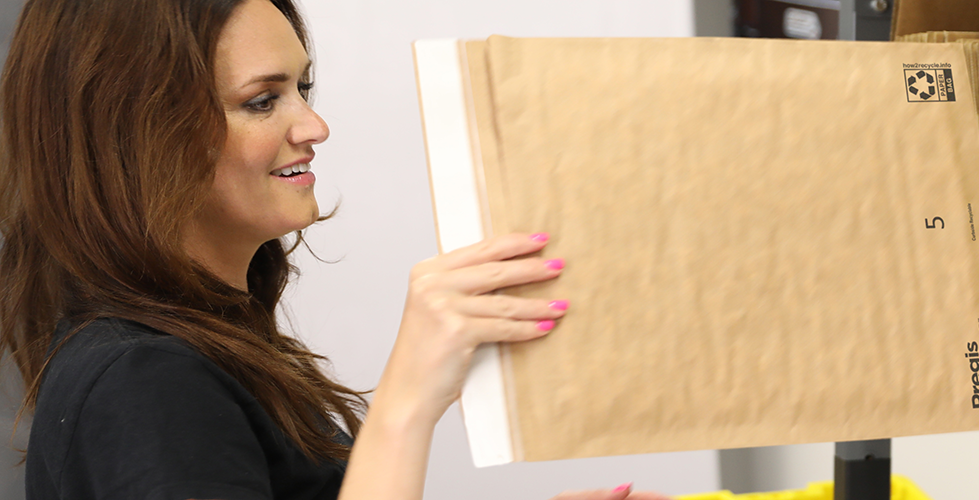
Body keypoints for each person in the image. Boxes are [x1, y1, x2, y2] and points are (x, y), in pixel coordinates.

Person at [0, 0, 673, 498]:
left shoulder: (211, 355)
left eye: (303, 88)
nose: (313, 125)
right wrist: (408, 398)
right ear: (138, 134)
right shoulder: (141, 381)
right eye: (263, 101)